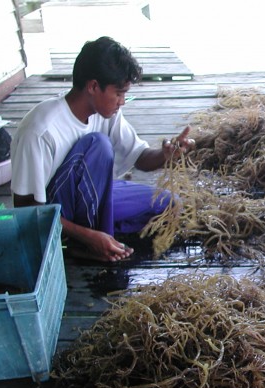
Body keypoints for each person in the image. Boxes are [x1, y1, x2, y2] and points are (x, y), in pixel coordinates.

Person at [11, 36, 194, 262]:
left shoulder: (106, 112)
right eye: (118, 93)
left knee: (172, 205)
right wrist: (88, 237)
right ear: (93, 86)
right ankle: (83, 243)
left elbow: (140, 157)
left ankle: (102, 232)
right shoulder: (40, 131)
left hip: (94, 196)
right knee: (98, 145)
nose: (122, 102)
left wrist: (166, 155)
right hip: (55, 214)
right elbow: (26, 210)